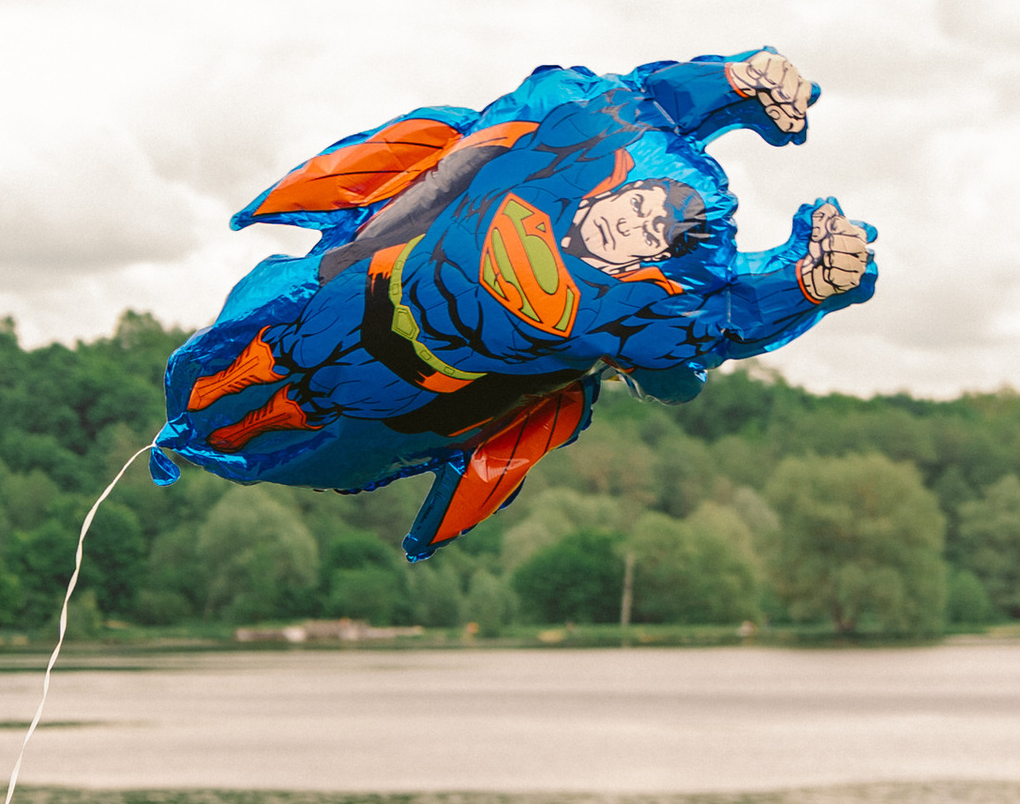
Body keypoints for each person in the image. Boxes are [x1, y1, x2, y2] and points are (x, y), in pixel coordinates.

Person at [153, 47, 878, 558]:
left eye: (651, 234)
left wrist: (807, 280)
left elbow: (718, 325)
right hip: (356, 302)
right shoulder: (548, 176)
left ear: (648, 262)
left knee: (309, 406)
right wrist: (731, 82)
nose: (635, 221)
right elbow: (628, 100)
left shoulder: (637, 311)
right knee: (274, 360)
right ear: (619, 185)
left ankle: (227, 432)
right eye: (640, 204)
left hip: (418, 379)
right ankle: (204, 413)